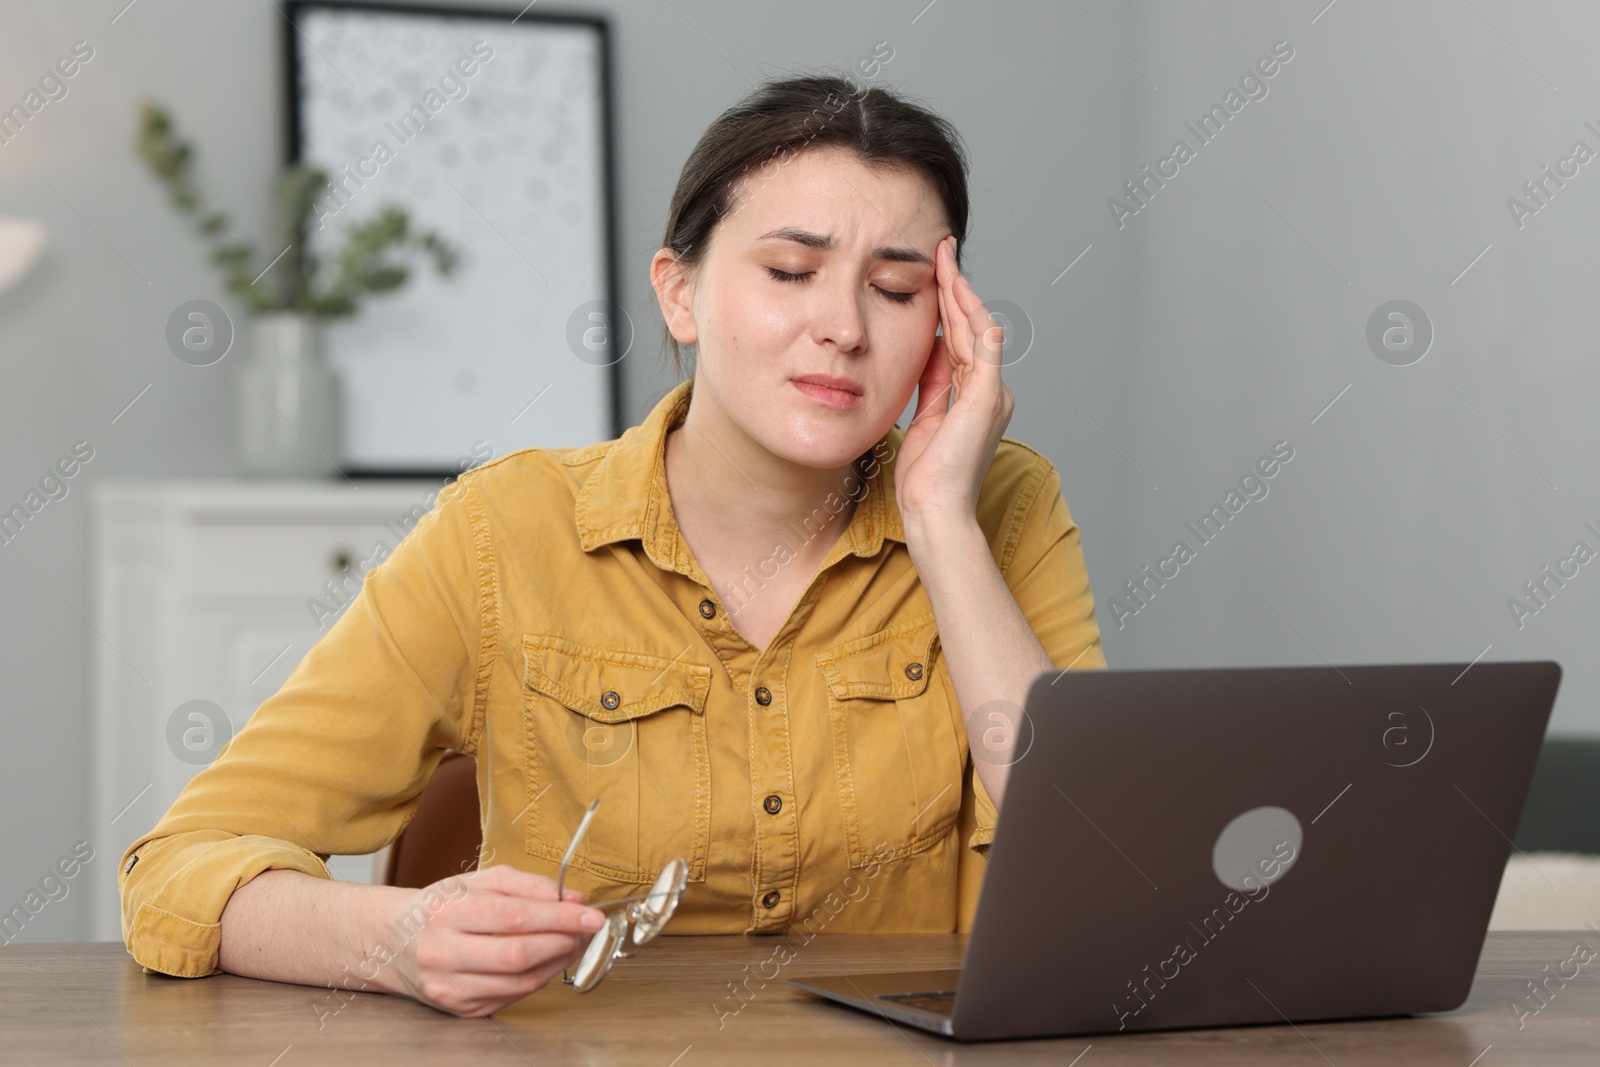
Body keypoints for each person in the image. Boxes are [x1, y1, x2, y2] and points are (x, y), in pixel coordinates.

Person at [118, 73, 1106, 1018]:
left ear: (947, 329)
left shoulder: (1001, 503)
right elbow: (178, 865)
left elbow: (1096, 870)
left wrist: (939, 517)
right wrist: (393, 936)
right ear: (679, 293)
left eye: (895, 289)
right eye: (791, 271)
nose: (842, 327)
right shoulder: (504, 531)